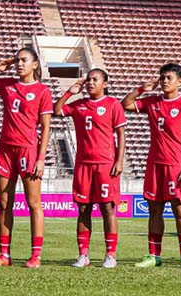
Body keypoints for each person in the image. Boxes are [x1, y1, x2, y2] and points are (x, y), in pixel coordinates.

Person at [0, 48, 52, 268]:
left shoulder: (43, 91)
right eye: (17, 60)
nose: (19, 64)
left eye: (24, 60)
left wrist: (41, 158)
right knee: (5, 204)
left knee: (34, 203)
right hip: (5, 150)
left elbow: (46, 128)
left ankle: (36, 255)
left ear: (35, 64)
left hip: (28, 151)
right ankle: (4, 255)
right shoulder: (7, 84)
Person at [122, 63, 181, 269]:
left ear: (180, 82)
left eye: (169, 78)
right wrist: (141, 89)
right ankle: (154, 255)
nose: (164, 81)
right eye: (162, 77)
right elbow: (125, 104)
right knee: (154, 211)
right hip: (154, 165)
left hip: (176, 166)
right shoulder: (153, 102)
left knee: (180, 210)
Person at [54, 68, 127, 268]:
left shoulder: (113, 105)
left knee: (107, 208)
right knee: (83, 208)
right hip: (83, 165)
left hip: (105, 164)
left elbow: (121, 135)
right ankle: (83, 255)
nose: (90, 83)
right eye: (88, 80)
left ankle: (111, 254)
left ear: (105, 84)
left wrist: (119, 161)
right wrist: (70, 92)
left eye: (95, 79)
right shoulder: (79, 105)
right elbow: (57, 110)